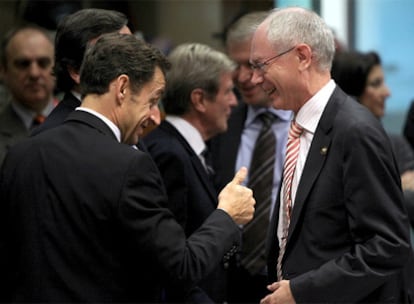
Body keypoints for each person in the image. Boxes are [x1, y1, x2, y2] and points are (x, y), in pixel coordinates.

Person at [0, 32, 255, 302]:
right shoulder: (129, 165)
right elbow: (181, 266)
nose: (154, 114)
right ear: (122, 88)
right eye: (152, 99)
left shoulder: (21, 153)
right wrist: (227, 215)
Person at [249, 7, 413, 303]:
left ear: (302, 56)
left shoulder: (355, 131)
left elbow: (387, 246)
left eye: (261, 65)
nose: (254, 79)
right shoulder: (301, 126)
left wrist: (302, 291)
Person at [143, 42, 238, 303]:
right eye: (228, 92)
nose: (233, 101)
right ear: (199, 99)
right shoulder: (169, 154)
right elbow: (170, 261)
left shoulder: (192, 149)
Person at [209, 11, 292, 303]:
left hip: (292, 281)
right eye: (235, 65)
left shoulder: (309, 124)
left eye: (253, 65)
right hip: (231, 279)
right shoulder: (222, 123)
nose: (243, 77)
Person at [331, 50, 414, 233]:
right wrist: (397, 186)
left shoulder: (396, 145)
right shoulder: (329, 144)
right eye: (376, 84)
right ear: (353, 93)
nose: (387, 92)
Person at [30, 8, 133, 136]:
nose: (134, 64)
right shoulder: (57, 136)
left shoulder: (130, 121)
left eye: (133, 52)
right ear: (76, 71)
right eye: (119, 55)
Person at [0, 24, 57, 164]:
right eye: (23, 64)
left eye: (43, 63)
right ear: (3, 71)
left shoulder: (83, 125)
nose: (34, 73)